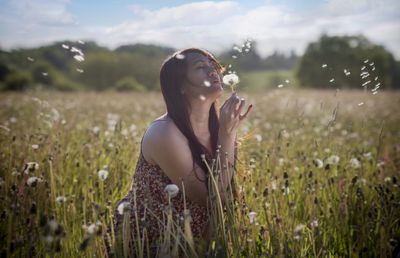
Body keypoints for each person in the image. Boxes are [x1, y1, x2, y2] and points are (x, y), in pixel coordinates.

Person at [103, 47, 252, 257]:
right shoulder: (165, 132)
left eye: (213, 66)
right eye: (201, 67)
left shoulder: (217, 127)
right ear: (180, 85)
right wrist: (228, 135)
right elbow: (210, 199)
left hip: (193, 241)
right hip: (151, 241)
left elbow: (225, 191)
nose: (213, 72)